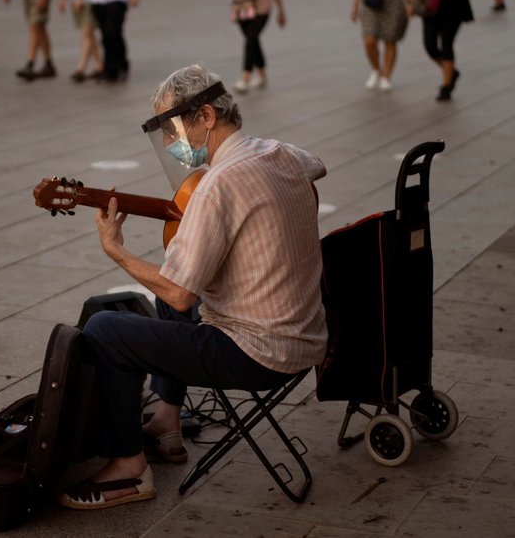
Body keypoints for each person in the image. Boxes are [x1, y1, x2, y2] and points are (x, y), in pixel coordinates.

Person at [58, 64, 328, 510]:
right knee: (183, 281)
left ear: (206, 116)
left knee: (107, 327)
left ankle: (128, 471)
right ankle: (166, 420)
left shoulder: (217, 185)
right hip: (305, 337)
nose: (168, 143)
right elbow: (318, 166)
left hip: (258, 354)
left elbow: (180, 295)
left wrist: (117, 251)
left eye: (171, 129)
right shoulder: (283, 153)